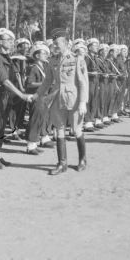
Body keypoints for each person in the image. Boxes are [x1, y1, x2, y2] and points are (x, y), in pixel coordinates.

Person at [32, 28, 89, 175]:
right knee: (59, 130)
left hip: (74, 99)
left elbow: (83, 82)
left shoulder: (77, 59)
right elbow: (47, 81)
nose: (55, 46)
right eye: (54, 43)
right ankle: (62, 163)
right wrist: (38, 95)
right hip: (57, 98)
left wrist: (83, 102)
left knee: (76, 130)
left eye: (58, 43)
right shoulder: (53, 60)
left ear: (67, 43)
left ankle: (82, 159)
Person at [0, 28, 31, 169]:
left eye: (12, 40)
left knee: (1, 126)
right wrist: (21, 94)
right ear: (0, 42)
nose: (12, 42)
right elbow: (4, 80)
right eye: (9, 40)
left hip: (6, 97)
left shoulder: (7, 58)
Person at [24, 41, 53, 154]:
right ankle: (30, 145)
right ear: (36, 55)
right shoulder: (34, 68)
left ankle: (36, 142)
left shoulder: (43, 66)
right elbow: (30, 84)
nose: (46, 55)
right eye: (44, 53)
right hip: (37, 96)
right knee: (35, 119)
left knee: (42, 118)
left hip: (44, 96)